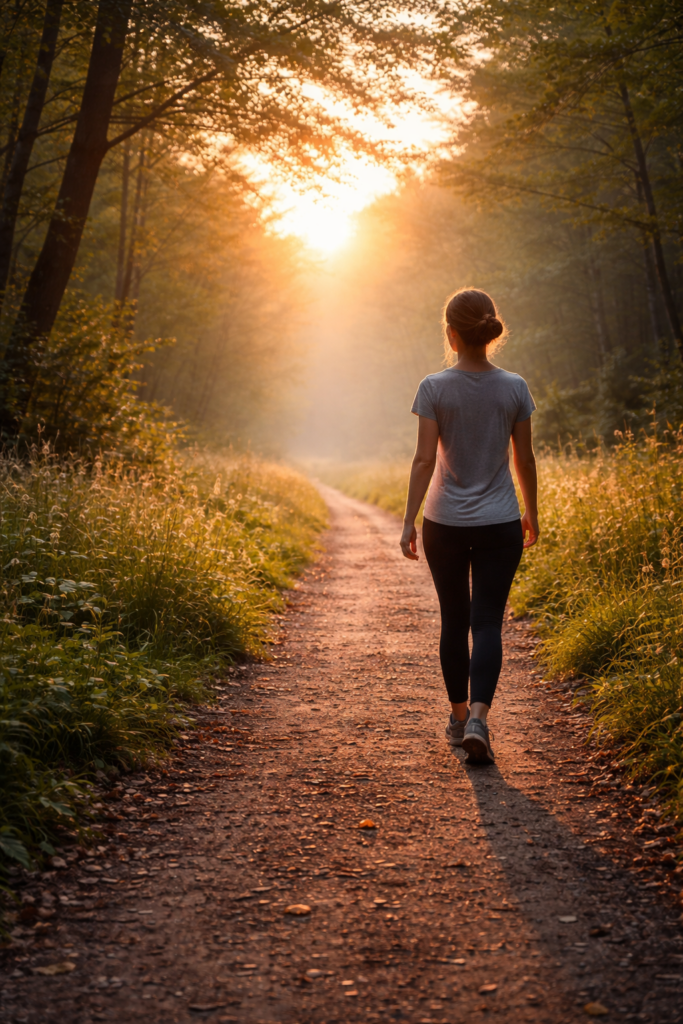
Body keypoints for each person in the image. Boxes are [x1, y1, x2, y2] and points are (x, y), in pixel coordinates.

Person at [399, 287, 539, 765]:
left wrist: (408, 520)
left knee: (455, 621)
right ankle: (480, 716)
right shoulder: (515, 386)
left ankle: (459, 719)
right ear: (489, 332)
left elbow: (423, 460)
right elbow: (524, 457)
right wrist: (532, 512)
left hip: (445, 522)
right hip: (501, 522)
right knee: (487, 623)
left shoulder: (433, 387)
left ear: (452, 334)